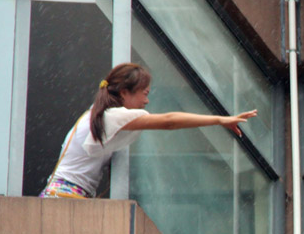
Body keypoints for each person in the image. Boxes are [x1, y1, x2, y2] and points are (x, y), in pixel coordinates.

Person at [41, 63, 257, 199]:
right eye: (144, 94)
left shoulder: (97, 115)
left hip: (60, 194)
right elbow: (169, 121)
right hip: (64, 196)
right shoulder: (112, 116)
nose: (147, 100)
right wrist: (220, 119)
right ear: (124, 93)